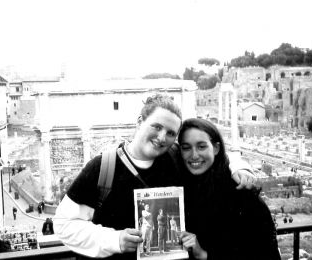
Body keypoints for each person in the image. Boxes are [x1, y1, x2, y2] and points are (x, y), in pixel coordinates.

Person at [54, 94, 256, 260]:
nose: (162, 138)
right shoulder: (102, 168)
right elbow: (64, 226)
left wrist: (240, 167)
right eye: (157, 127)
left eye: (170, 133)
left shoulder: (175, 157)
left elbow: (211, 158)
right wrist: (115, 240)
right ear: (140, 121)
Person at [177, 118, 280, 260]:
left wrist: (205, 255)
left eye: (201, 147)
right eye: (186, 148)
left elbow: (263, 251)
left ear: (216, 148)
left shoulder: (240, 190)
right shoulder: (182, 186)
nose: (194, 155)